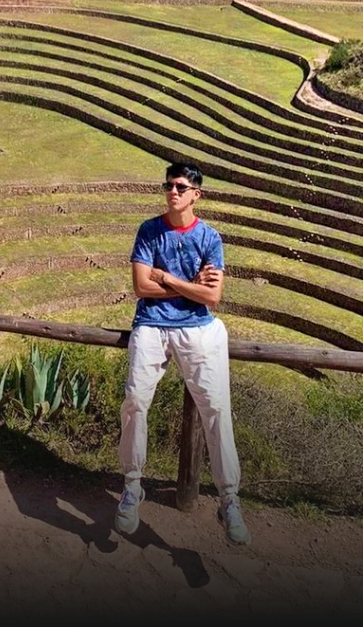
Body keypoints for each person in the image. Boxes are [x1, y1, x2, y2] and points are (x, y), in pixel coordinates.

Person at [115, 161, 250, 546]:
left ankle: (229, 500)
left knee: (217, 408)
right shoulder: (149, 231)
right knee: (135, 401)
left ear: (196, 194)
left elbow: (212, 297)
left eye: (179, 186)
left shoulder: (209, 238)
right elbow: (142, 287)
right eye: (168, 185)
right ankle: (133, 485)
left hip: (199, 329)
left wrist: (170, 279)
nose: (172, 192)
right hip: (152, 326)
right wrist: (190, 286)